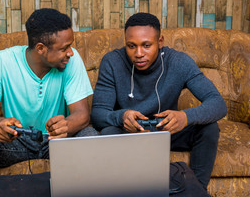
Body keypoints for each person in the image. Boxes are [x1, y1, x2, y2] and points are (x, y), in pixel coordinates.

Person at [0, 8, 98, 197]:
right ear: (41, 48)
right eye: (63, 48)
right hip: (16, 141)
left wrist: (66, 125)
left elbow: (82, 114)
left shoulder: (71, 61)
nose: (70, 53)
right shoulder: (2, 61)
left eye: (70, 46)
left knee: (89, 135)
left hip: (56, 142)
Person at [91, 12, 227, 191]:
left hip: (166, 130)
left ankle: (195, 192)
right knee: (108, 132)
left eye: (146, 45)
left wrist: (185, 117)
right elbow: (98, 114)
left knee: (209, 128)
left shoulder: (179, 62)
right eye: (131, 46)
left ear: (160, 42)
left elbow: (218, 103)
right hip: (130, 132)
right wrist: (121, 116)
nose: (139, 53)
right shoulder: (112, 61)